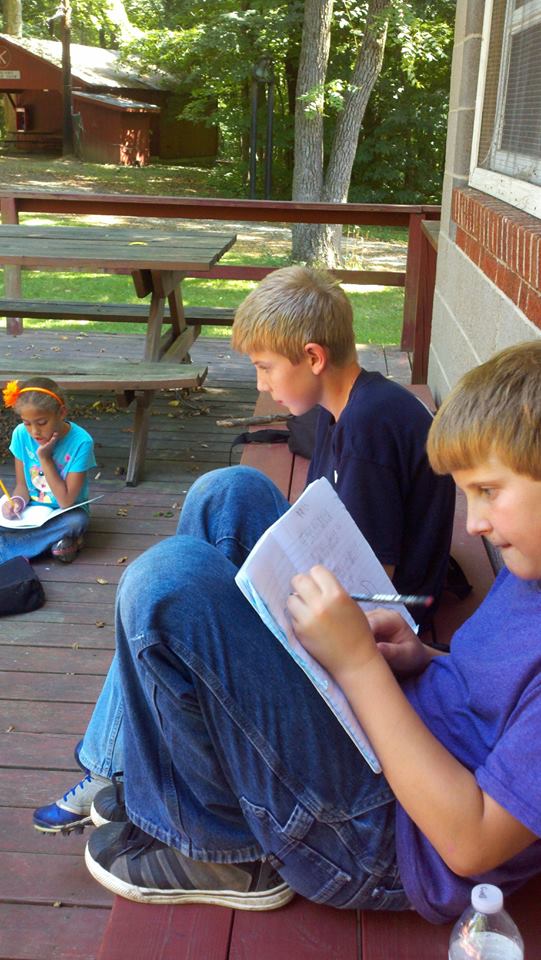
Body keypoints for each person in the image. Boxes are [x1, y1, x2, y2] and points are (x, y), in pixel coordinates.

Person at [82, 340, 541, 920]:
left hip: (387, 839)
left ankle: (223, 849)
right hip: (390, 729)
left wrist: (358, 665)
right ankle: (137, 771)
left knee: (167, 583)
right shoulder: (531, 567)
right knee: (231, 495)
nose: (473, 524)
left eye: (489, 492)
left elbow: (471, 843)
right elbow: (499, 689)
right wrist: (426, 656)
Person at [32, 266, 455, 833]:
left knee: (171, 592)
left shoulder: (368, 430)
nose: (262, 385)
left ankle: (115, 764)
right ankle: (114, 759)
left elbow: (369, 590)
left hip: (376, 636)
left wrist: (244, 600)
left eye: (265, 367)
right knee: (224, 492)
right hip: (340, 592)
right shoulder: (348, 407)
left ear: (312, 357)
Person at [1, 376, 96, 564]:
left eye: (42, 422)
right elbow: (22, 486)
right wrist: (17, 502)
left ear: (61, 412)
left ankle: (7, 549)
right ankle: (57, 543)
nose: (34, 432)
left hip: (63, 513)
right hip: (30, 513)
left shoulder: (81, 442)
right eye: (27, 423)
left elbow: (66, 501)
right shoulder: (20, 434)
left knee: (76, 522)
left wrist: (45, 458)